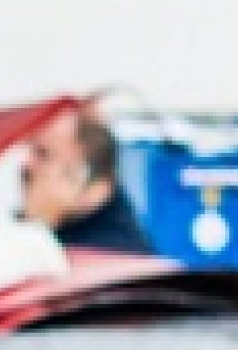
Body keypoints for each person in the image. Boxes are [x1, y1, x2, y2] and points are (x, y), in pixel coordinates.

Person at [19, 104, 154, 258]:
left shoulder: (111, 257)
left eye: (43, 154)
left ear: (95, 190)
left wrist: (36, 223)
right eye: (30, 149)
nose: (26, 163)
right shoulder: (61, 223)